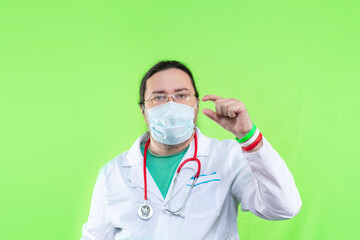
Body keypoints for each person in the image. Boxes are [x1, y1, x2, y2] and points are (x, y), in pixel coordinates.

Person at [81, 60, 302, 240]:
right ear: (143, 109)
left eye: (181, 95)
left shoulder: (227, 157)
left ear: (196, 103)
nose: (171, 105)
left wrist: (249, 137)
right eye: (158, 97)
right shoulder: (113, 173)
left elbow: (284, 207)